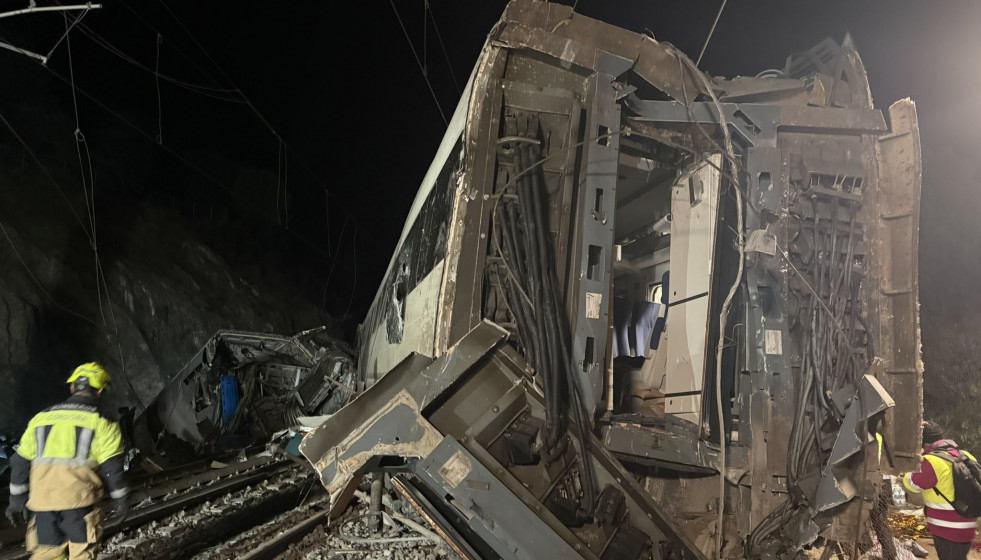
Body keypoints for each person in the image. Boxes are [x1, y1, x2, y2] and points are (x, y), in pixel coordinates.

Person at [4, 363, 129, 560]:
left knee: (47, 553)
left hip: (43, 503)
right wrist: (121, 499)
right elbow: (112, 468)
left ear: (72, 387)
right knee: (81, 552)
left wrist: (16, 499)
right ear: (100, 390)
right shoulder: (102, 422)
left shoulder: (40, 419)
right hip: (79, 502)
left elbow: (19, 461)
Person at [902, 420, 978, 560]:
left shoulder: (931, 461)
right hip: (968, 524)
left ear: (925, 444)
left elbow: (911, 483)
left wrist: (913, 463)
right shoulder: (965, 455)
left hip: (947, 529)